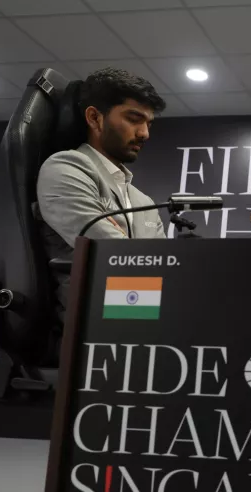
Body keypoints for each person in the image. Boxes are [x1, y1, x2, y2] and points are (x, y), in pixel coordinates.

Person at [37, 67, 167, 353]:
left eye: (149, 123)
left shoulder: (145, 202)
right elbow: (114, 257)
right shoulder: (65, 168)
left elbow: (164, 269)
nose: (144, 133)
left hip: (143, 332)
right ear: (95, 118)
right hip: (89, 339)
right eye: (134, 119)